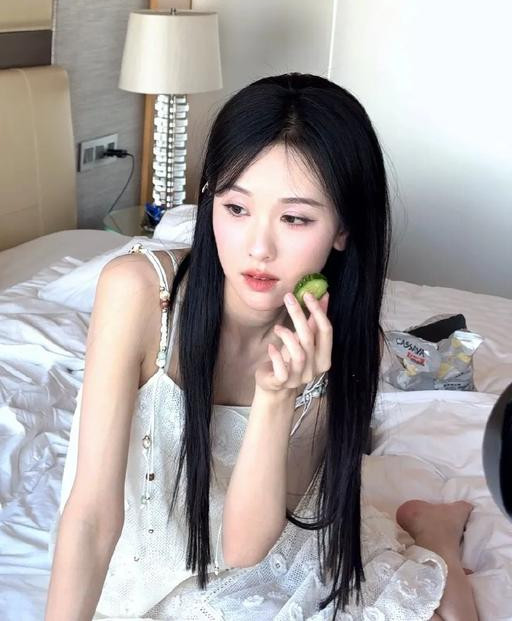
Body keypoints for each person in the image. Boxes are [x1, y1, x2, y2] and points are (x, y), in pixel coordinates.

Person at [45, 73, 479, 620]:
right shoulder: (139, 293)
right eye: (236, 208)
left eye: (294, 218)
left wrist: (277, 397)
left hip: (257, 546)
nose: (258, 248)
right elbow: (91, 516)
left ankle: (436, 536)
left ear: (342, 229)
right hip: (139, 567)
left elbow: (245, 549)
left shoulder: (344, 344)